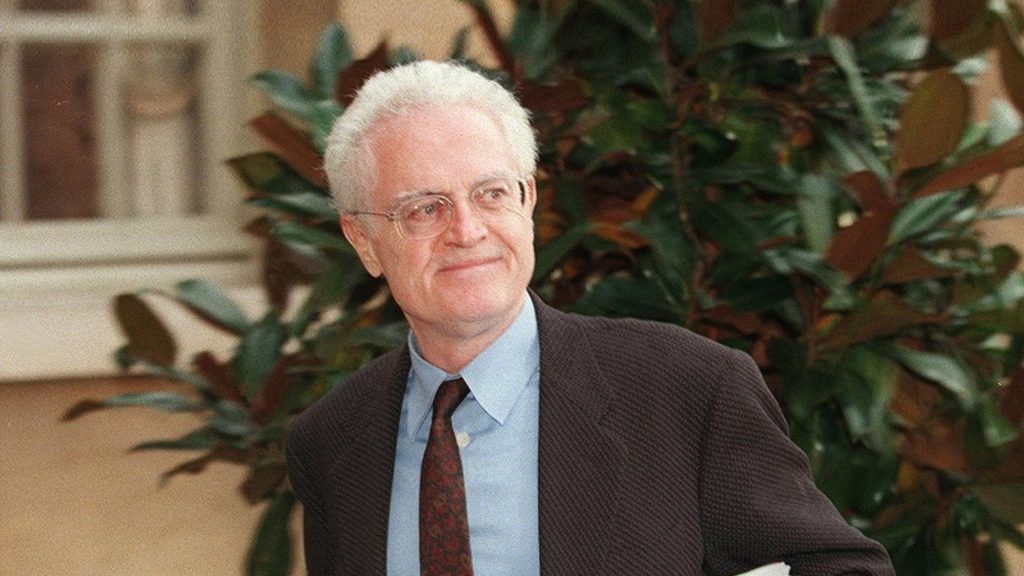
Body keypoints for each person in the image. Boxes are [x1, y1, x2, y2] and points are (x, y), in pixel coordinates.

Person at [285, 60, 896, 576]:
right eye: (425, 208)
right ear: (364, 241)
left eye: (491, 194)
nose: (467, 232)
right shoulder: (331, 441)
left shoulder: (687, 390)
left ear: (528, 200)